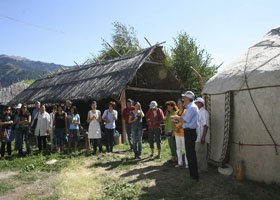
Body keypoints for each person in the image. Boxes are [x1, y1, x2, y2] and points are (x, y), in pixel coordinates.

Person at [180, 91, 200, 181]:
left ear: (188, 99)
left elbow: (186, 120)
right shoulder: (190, 107)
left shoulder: (192, 107)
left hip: (190, 132)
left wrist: (177, 118)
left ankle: (195, 176)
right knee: (189, 153)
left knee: (191, 154)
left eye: (184, 98)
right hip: (189, 132)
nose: (183, 99)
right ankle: (192, 175)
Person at [194, 97, 210, 172]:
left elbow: (206, 125)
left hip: (201, 137)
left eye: (197, 103)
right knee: (198, 153)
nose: (195, 104)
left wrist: (203, 137)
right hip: (197, 136)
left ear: (201, 103)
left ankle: (202, 169)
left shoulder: (204, 112)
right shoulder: (198, 111)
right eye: (195, 102)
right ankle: (200, 168)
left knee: (201, 153)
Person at [172, 99, 188, 168]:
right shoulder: (176, 112)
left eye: (180, 103)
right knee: (178, 148)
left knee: (185, 148)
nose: (178, 105)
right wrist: (175, 128)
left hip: (183, 133)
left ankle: (187, 163)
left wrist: (178, 128)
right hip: (177, 133)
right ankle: (180, 162)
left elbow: (184, 121)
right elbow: (173, 121)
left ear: (183, 104)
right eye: (177, 103)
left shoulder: (185, 111)